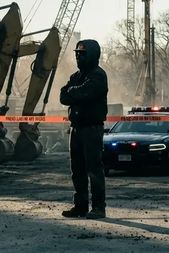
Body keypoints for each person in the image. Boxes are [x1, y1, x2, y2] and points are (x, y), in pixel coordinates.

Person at [59, 39, 109, 219]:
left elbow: (86, 93)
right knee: (77, 170)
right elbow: (63, 96)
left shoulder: (98, 75)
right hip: (76, 128)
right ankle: (80, 206)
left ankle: (98, 207)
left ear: (92, 55)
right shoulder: (76, 76)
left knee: (94, 169)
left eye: (82, 53)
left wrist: (73, 92)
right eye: (77, 53)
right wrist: (75, 92)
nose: (79, 57)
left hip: (92, 129)